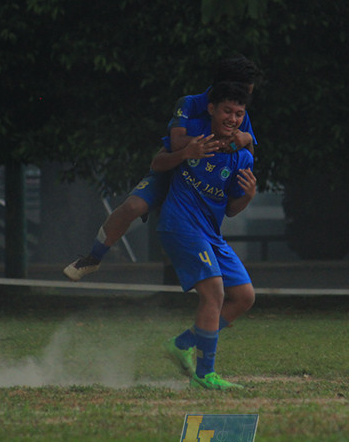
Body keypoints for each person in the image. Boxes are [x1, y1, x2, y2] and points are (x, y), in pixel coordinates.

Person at [63, 55, 262, 281]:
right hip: (175, 168)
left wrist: (243, 140)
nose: (245, 99)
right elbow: (176, 143)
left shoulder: (238, 111)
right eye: (245, 90)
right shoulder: (190, 103)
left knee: (197, 237)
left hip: (203, 181)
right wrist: (222, 142)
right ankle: (93, 258)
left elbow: (248, 152)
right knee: (132, 206)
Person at [152, 81, 258, 390]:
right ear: (211, 109)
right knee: (214, 292)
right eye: (227, 111)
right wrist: (185, 153)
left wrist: (248, 197)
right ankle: (205, 374)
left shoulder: (243, 157)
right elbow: (157, 164)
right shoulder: (194, 138)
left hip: (210, 233)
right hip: (180, 225)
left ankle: (181, 343)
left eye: (239, 114)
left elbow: (233, 210)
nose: (233, 119)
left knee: (244, 297)